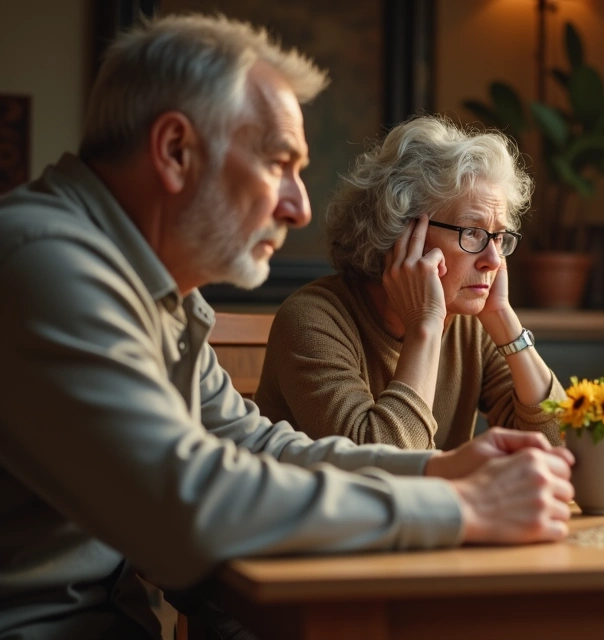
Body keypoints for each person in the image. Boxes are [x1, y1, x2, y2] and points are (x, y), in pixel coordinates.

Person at [0, 15, 573, 639]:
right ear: (174, 151)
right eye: (279, 163)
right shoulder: (45, 265)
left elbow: (256, 446)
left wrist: (437, 472)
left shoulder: (161, 296)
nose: (298, 207)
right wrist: (460, 507)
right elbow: (188, 502)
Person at [254, 116, 562, 450]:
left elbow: (562, 444)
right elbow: (379, 460)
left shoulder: (470, 325)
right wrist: (425, 326)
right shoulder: (312, 321)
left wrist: (503, 320)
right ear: (402, 232)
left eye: (499, 237)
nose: (493, 259)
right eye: (472, 232)